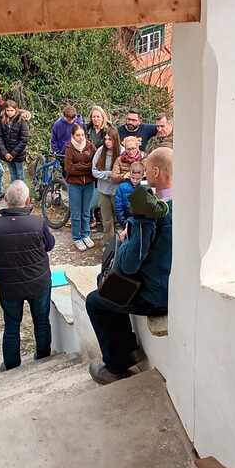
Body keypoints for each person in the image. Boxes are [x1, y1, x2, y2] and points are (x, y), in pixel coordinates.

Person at [86, 148, 173, 385]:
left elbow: (128, 266)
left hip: (155, 296)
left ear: (156, 172)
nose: (144, 174)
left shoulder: (150, 211)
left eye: (147, 169)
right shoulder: (183, 203)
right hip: (174, 288)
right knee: (112, 294)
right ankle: (129, 351)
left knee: (96, 300)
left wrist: (126, 239)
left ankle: (116, 367)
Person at [0, 180, 56, 372]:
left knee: (12, 325)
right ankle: (43, 356)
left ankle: (11, 364)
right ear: (28, 200)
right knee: (42, 320)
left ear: (6, 200)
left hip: (9, 286)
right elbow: (49, 245)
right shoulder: (38, 223)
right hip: (38, 283)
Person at [64, 123, 97, 251]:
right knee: (76, 212)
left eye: (82, 134)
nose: (81, 137)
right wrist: (86, 167)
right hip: (74, 185)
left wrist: (79, 166)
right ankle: (77, 237)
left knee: (86, 211)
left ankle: (86, 234)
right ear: (73, 136)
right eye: (78, 135)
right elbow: (69, 169)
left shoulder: (90, 146)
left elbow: (94, 164)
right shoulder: (69, 148)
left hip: (89, 184)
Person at [92, 128, 124, 236]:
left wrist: (115, 176)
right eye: (105, 139)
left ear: (115, 139)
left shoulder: (122, 152)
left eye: (110, 139)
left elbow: (125, 173)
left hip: (117, 191)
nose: (107, 142)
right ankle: (108, 242)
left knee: (120, 219)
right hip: (103, 191)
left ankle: (120, 242)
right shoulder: (100, 151)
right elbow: (94, 171)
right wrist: (109, 174)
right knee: (106, 220)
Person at [0, 100, 30, 183]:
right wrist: (5, 153)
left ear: (16, 110)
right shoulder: (1, 119)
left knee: (20, 174)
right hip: (7, 153)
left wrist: (13, 154)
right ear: (5, 110)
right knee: (13, 174)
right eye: (8, 110)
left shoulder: (21, 120)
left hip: (18, 153)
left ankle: (21, 191)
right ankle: (13, 190)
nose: (9, 112)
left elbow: (24, 139)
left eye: (12, 110)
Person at [114, 161, 144, 229]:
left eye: (138, 179)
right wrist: (124, 223)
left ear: (142, 176)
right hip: (126, 221)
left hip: (141, 223)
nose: (135, 181)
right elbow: (118, 207)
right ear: (129, 175)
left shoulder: (144, 187)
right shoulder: (122, 187)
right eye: (133, 178)